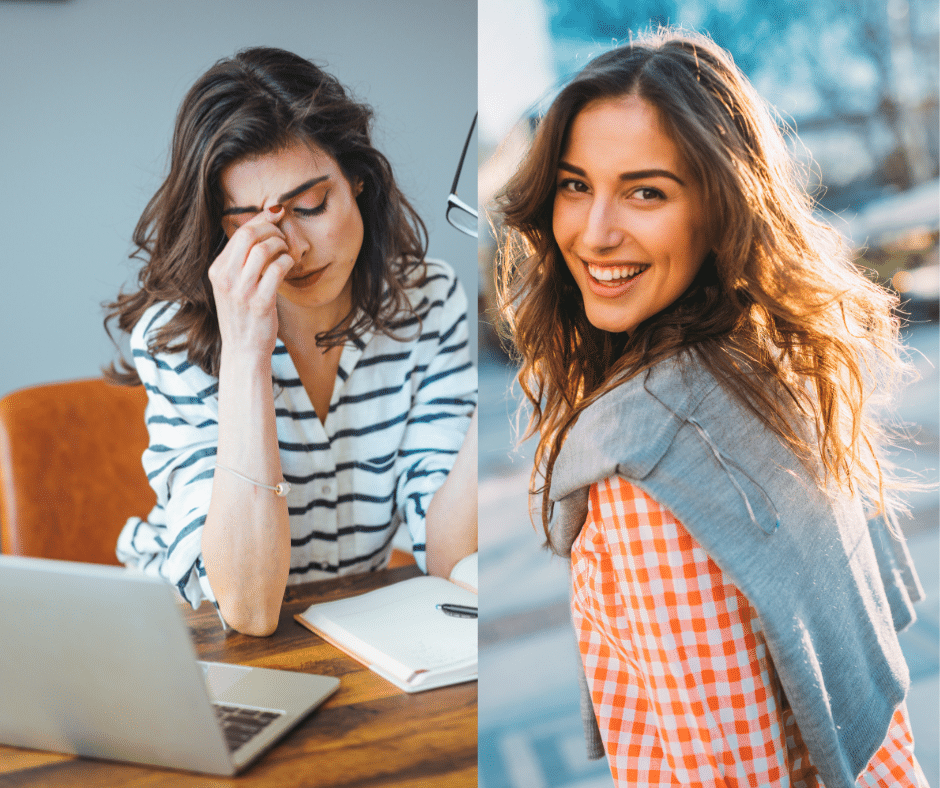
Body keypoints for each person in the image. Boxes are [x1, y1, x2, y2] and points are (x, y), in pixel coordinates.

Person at [495, 28, 928, 788]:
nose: (594, 233)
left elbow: (726, 772)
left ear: (722, 204)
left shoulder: (646, 460)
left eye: (645, 191)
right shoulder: (775, 363)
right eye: (574, 184)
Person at [105, 47, 477, 637]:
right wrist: (248, 354)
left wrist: (512, 358)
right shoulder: (177, 337)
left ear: (358, 178)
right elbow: (247, 609)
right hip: (186, 636)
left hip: (348, 632)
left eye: (310, 205)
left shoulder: (429, 300)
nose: (292, 247)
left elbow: (454, 562)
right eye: (249, 221)